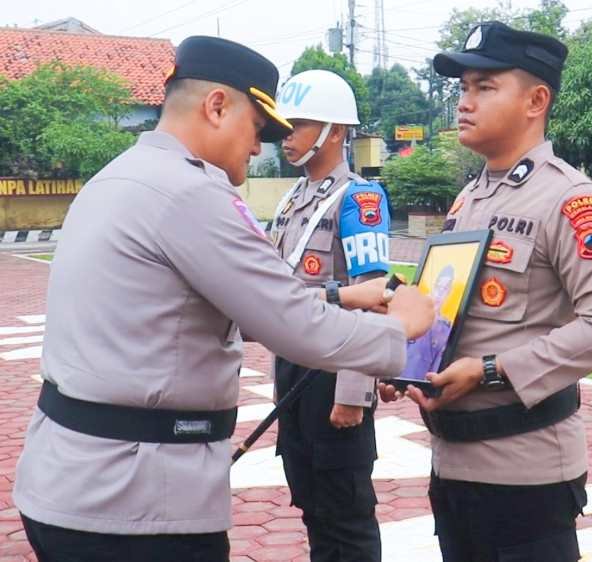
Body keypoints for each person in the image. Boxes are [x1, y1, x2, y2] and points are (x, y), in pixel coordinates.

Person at [12, 36, 434, 562]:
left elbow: (249, 298)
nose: (261, 148)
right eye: (258, 129)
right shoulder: (193, 193)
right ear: (216, 106)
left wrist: (345, 309)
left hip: (71, 479)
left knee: (340, 518)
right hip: (136, 503)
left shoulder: (116, 178)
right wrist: (402, 329)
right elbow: (288, 317)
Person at [387, 21, 592, 562]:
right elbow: (450, 311)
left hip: (525, 472)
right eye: (462, 88)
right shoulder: (469, 198)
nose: (464, 103)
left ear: (536, 100)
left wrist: (491, 370)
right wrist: (405, 362)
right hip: (452, 461)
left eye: (484, 86)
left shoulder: (569, 200)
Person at [271, 69, 392, 562]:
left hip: (334, 374)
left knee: (346, 513)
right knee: (311, 503)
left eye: (299, 124)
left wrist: (354, 392)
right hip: (292, 369)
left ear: (336, 131)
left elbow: (374, 296)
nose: (287, 136)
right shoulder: (292, 199)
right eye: (284, 124)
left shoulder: (359, 199)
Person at [399, 265, 456, 381]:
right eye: (438, 287)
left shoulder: (446, 329)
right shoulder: (413, 317)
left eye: (444, 289)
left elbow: (437, 370)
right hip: (396, 385)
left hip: (421, 390)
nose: (440, 293)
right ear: (433, 288)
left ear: (449, 292)